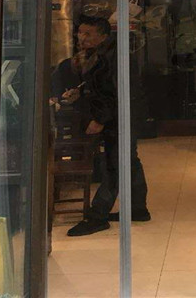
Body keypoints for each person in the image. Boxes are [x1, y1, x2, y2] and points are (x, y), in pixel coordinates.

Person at [66, 16, 150, 237]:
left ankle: (97, 215)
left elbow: (116, 93)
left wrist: (100, 119)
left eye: (88, 33)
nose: (82, 37)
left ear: (103, 36)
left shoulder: (115, 56)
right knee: (128, 160)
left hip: (120, 116)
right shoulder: (97, 54)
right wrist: (79, 92)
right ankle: (138, 209)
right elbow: (99, 87)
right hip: (119, 115)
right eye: (80, 32)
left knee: (115, 164)